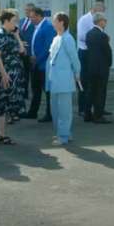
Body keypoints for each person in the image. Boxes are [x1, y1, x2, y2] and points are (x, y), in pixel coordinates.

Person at [0, 9, 27, 144]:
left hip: (15, 74)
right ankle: (1, 135)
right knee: (2, 104)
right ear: (5, 21)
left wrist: (17, 36)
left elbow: (22, 50)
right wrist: (4, 74)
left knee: (8, 105)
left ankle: (2, 134)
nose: (16, 24)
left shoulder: (12, 35)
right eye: (13, 21)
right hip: (6, 75)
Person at [45, 12, 80, 146]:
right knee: (55, 109)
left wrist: (77, 72)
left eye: (55, 21)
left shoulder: (68, 38)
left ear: (61, 23)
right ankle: (64, 133)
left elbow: (74, 58)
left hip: (64, 80)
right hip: (54, 79)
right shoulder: (56, 38)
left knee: (64, 110)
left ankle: (63, 136)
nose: (53, 23)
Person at [22, 8, 55, 122]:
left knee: (47, 90)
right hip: (35, 64)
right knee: (35, 89)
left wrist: (37, 59)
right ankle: (33, 112)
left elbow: (48, 47)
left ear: (39, 16)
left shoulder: (48, 27)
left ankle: (50, 114)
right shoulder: (37, 27)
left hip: (43, 65)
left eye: (32, 17)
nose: (30, 19)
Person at [76, 2, 105, 116]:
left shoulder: (98, 20)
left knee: (95, 81)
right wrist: (95, 38)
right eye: (101, 12)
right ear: (95, 9)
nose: (102, 15)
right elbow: (81, 36)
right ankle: (82, 108)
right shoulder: (84, 20)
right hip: (84, 52)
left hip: (94, 52)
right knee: (84, 81)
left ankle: (97, 107)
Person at [83, 12, 112, 123]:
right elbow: (107, 52)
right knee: (100, 92)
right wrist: (109, 63)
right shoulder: (103, 35)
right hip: (101, 68)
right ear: (100, 21)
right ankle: (98, 116)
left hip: (91, 67)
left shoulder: (89, 34)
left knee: (91, 91)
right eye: (105, 20)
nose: (106, 22)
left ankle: (87, 114)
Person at [18, 3, 37, 101]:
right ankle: (24, 93)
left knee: (32, 75)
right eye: (26, 10)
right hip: (21, 52)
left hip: (31, 53)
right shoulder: (20, 21)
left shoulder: (35, 23)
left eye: (29, 10)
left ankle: (34, 95)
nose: (27, 12)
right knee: (23, 74)